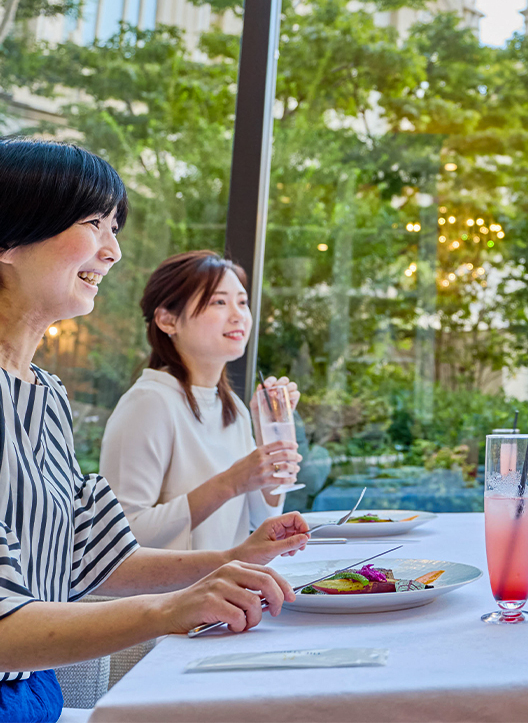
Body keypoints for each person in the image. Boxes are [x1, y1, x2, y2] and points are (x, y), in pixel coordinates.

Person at [0, 139, 309, 722]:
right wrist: (171, 609)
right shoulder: (148, 402)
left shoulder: (47, 394)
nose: (112, 251)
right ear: (8, 238)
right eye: (94, 224)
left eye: (114, 228)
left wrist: (230, 558)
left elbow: (91, 557)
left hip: (36, 689)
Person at [101, 251, 301, 551]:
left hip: (223, 591)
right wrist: (231, 482)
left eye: (242, 302)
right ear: (168, 320)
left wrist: (266, 438)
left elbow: (261, 517)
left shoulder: (233, 407)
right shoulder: (150, 403)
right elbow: (121, 535)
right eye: (218, 302)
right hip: (168, 597)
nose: (238, 315)